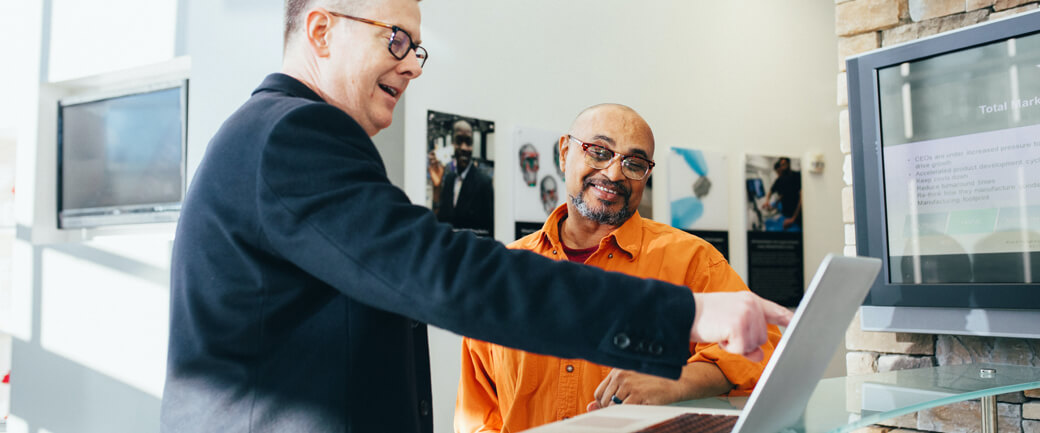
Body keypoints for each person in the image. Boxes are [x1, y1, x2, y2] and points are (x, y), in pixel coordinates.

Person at [160, 1, 792, 432]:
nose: (410, 62)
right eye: (396, 39)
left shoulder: (275, 137)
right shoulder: (293, 135)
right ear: (322, 31)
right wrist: (686, 312)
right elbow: (441, 275)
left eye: (417, 48)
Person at [455, 104, 783, 433]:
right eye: (599, 152)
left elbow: (763, 350)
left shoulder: (692, 260)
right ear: (564, 152)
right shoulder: (503, 274)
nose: (614, 174)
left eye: (634, 163)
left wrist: (677, 380)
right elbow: (479, 415)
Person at [430, 119, 494, 236]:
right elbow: (440, 222)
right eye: (459, 141)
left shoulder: (484, 183)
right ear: (452, 144)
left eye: (468, 142)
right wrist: (437, 188)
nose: (464, 148)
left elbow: (489, 232)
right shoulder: (449, 179)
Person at [762, 157, 802, 231]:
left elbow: (801, 198)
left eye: (784, 165)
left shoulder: (796, 176)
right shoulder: (780, 179)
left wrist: (793, 218)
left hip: (796, 216)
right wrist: (767, 201)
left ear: (788, 164)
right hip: (785, 214)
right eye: (781, 165)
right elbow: (773, 192)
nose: (782, 168)